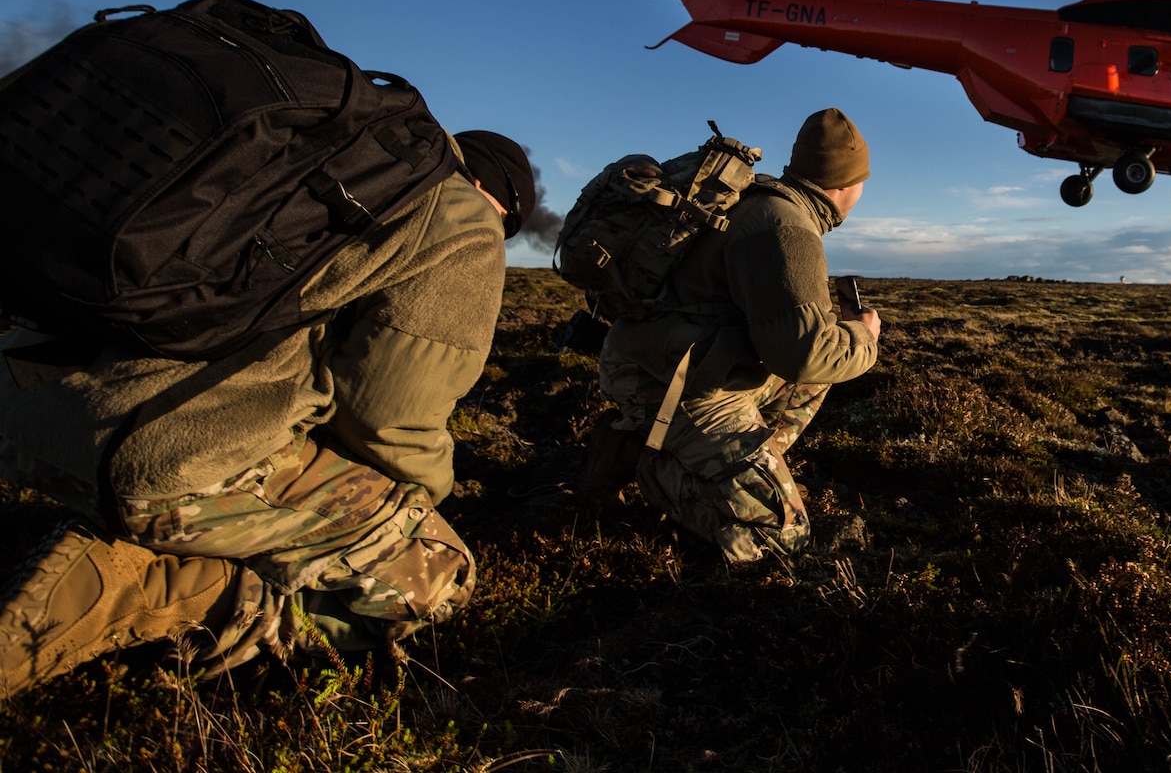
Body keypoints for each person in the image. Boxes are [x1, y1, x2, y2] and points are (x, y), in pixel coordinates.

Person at [0, 129, 535, 696]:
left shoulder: (317, 154)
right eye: (505, 225)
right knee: (438, 577)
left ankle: (158, 539)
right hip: (163, 449)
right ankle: (141, 587)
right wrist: (422, 502)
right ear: (489, 192)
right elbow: (388, 419)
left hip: (26, 405)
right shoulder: (458, 210)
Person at [581, 108, 881, 564]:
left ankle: (737, 472)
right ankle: (650, 464)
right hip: (677, 387)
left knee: (818, 374)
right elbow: (803, 354)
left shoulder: (762, 204)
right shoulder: (783, 223)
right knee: (780, 541)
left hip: (680, 366)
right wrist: (864, 337)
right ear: (846, 184)